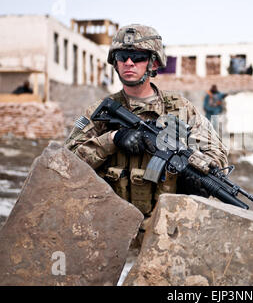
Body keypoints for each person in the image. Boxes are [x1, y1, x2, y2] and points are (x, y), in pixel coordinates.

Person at [64, 24, 228, 240]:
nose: (129, 63)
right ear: (114, 63)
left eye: (137, 57)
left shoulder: (181, 108)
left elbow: (217, 156)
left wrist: (195, 173)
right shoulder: (98, 111)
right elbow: (66, 162)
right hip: (109, 232)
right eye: (122, 56)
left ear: (153, 63)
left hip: (165, 233)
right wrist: (112, 139)